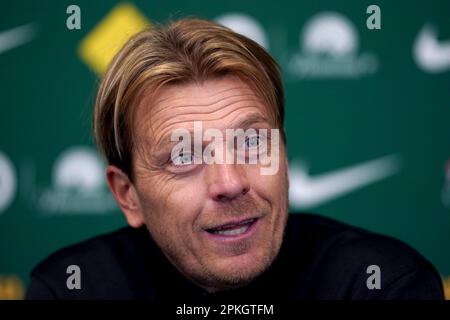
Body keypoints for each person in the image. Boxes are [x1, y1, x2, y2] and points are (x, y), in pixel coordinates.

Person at [26, 18, 444, 300]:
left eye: (252, 143)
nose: (229, 182)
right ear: (128, 195)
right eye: (183, 156)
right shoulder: (71, 288)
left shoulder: (382, 285)